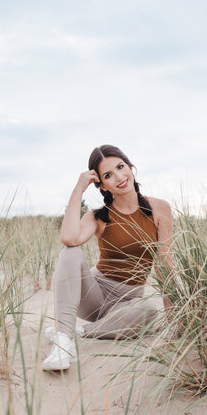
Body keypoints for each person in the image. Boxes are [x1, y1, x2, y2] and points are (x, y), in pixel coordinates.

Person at [43, 144, 173, 371]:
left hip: (128, 304)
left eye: (121, 167)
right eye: (108, 175)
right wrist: (78, 189)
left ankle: (81, 331)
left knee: (149, 310)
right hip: (94, 296)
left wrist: (174, 317)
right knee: (71, 251)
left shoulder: (159, 209)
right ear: (101, 185)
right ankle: (63, 343)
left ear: (131, 167)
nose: (119, 177)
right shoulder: (97, 217)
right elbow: (68, 237)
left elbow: (164, 263)